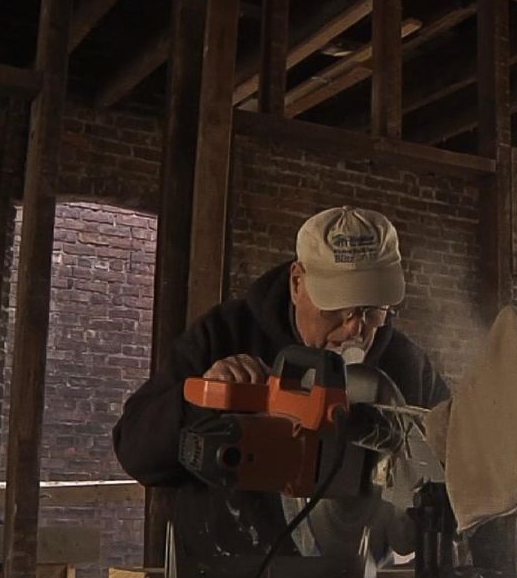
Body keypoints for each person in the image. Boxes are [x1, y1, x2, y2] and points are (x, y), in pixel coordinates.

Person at [114, 206, 450, 559]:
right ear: (297, 282)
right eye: (338, 307)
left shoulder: (406, 365)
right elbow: (135, 452)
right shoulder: (226, 334)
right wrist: (203, 400)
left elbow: (453, 466)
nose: (356, 328)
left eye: (372, 310)